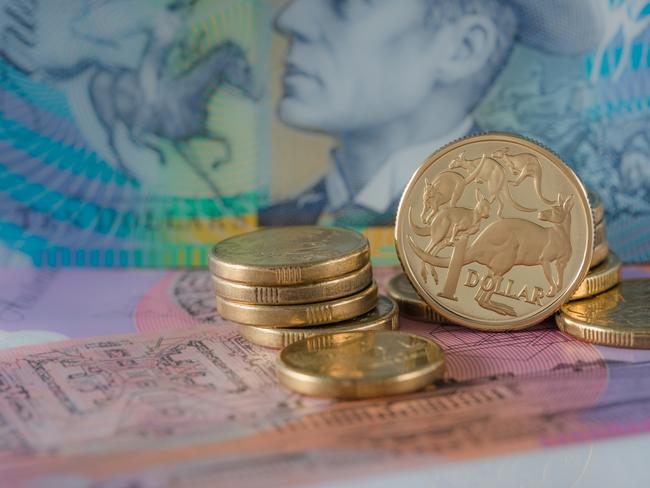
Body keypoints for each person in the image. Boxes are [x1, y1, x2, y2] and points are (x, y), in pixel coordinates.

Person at [260, 0, 606, 226]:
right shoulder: (278, 222)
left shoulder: (515, 220)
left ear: (462, 48)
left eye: (347, 4)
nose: (291, 19)